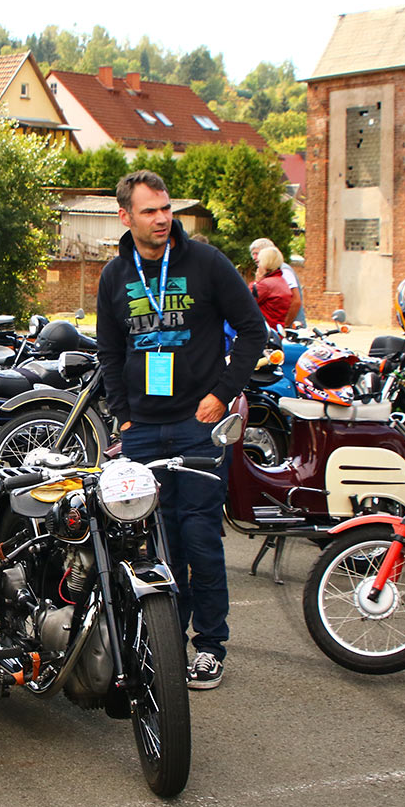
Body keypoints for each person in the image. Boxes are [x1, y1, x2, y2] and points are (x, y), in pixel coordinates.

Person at [96, 170, 266, 690]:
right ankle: (166, 645)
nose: (163, 218)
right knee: (154, 545)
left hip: (198, 426)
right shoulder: (114, 276)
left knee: (199, 540)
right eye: (149, 211)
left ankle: (210, 644)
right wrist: (124, 414)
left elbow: (254, 330)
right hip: (143, 431)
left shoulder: (206, 263)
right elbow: (109, 351)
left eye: (165, 208)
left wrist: (220, 393)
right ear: (125, 217)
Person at [249, 237, 303, 327]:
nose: (255, 257)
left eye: (257, 254)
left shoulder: (283, 271)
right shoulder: (274, 274)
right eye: (253, 254)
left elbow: (296, 301)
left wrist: (285, 325)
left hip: (290, 325)